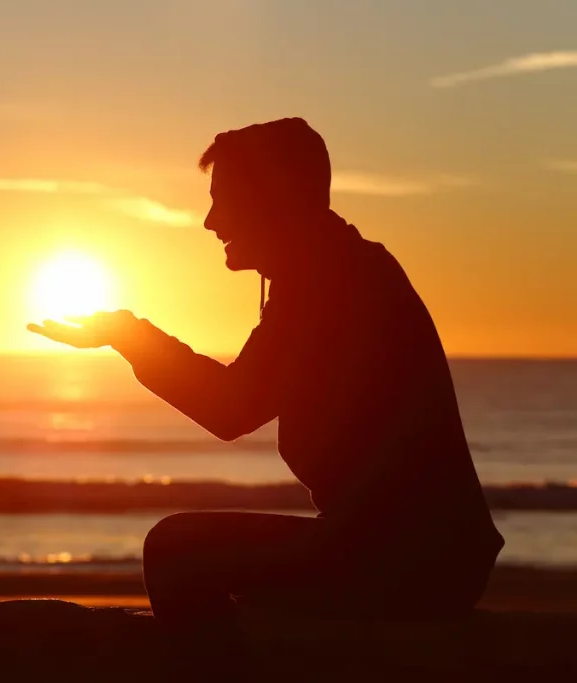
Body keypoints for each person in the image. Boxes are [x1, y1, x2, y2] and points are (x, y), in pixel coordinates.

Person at [29, 118, 504, 625]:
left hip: (410, 558)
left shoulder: (327, 278)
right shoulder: (337, 265)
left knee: (173, 549)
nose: (211, 222)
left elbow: (230, 409)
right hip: (420, 551)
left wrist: (131, 337)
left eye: (224, 199)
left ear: (273, 200)